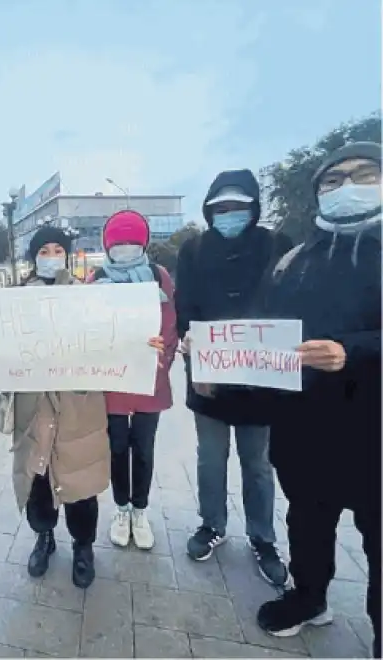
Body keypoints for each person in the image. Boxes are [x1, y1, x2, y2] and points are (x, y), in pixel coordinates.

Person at [253, 142, 381, 656]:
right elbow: (261, 328)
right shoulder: (293, 260)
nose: (346, 187)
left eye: (364, 174)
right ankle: (309, 598)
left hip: (374, 431)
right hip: (304, 429)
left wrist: (351, 351)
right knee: (306, 521)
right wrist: (215, 350)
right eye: (332, 181)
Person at [175, 169, 292, 585]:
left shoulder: (276, 245)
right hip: (209, 378)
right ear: (209, 211)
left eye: (237, 207)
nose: (228, 214)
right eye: (220, 208)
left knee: (258, 463)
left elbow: (290, 304)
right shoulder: (192, 250)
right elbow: (184, 309)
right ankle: (212, 526)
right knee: (210, 459)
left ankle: (262, 538)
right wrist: (194, 360)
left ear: (254, 207)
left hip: (261, 382)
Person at [0, 224, 110, 588]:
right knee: (37, 479)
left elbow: (110, 340)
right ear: (34, 257)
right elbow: (3, 349)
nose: (50, 256)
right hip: (34, 407)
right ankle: (44, 538)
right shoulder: (15, 300)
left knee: (80, 480)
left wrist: (141, 345)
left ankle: (83, 546)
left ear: (67, 254)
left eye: (55, 250)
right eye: (42, 251)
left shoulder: (85, 296)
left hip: (79, 406)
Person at [90, 210, 178, 550]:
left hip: (147, 379)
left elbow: (170, 322)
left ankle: (140, 510)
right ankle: (121, 509)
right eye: (118, 242)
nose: (125, 248)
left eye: (132, 241)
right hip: (111, 382)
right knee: (116, 448)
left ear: (143, 243)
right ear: (107, 245)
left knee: (143, 448)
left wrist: (160, 356)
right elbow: (86, 326)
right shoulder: (96, 278)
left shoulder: (158, 276)